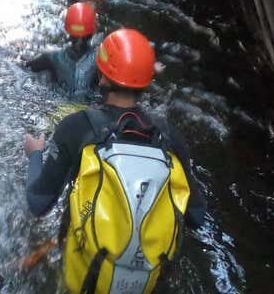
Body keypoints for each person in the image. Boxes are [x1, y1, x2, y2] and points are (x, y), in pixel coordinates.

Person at [23, 29, 206, 292]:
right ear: (147, 80)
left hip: (87, 275)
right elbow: (196, 216)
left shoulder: (77, 127)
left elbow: (38, 203)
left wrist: (36, 154)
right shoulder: (169, 136)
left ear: (102, 75)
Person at [25, 2, 99, 98]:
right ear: (93, 31)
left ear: (67, 29)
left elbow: (25, 66)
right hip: (90, 110)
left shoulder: (52, 57)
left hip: (58, 107)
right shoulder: (99, 60)